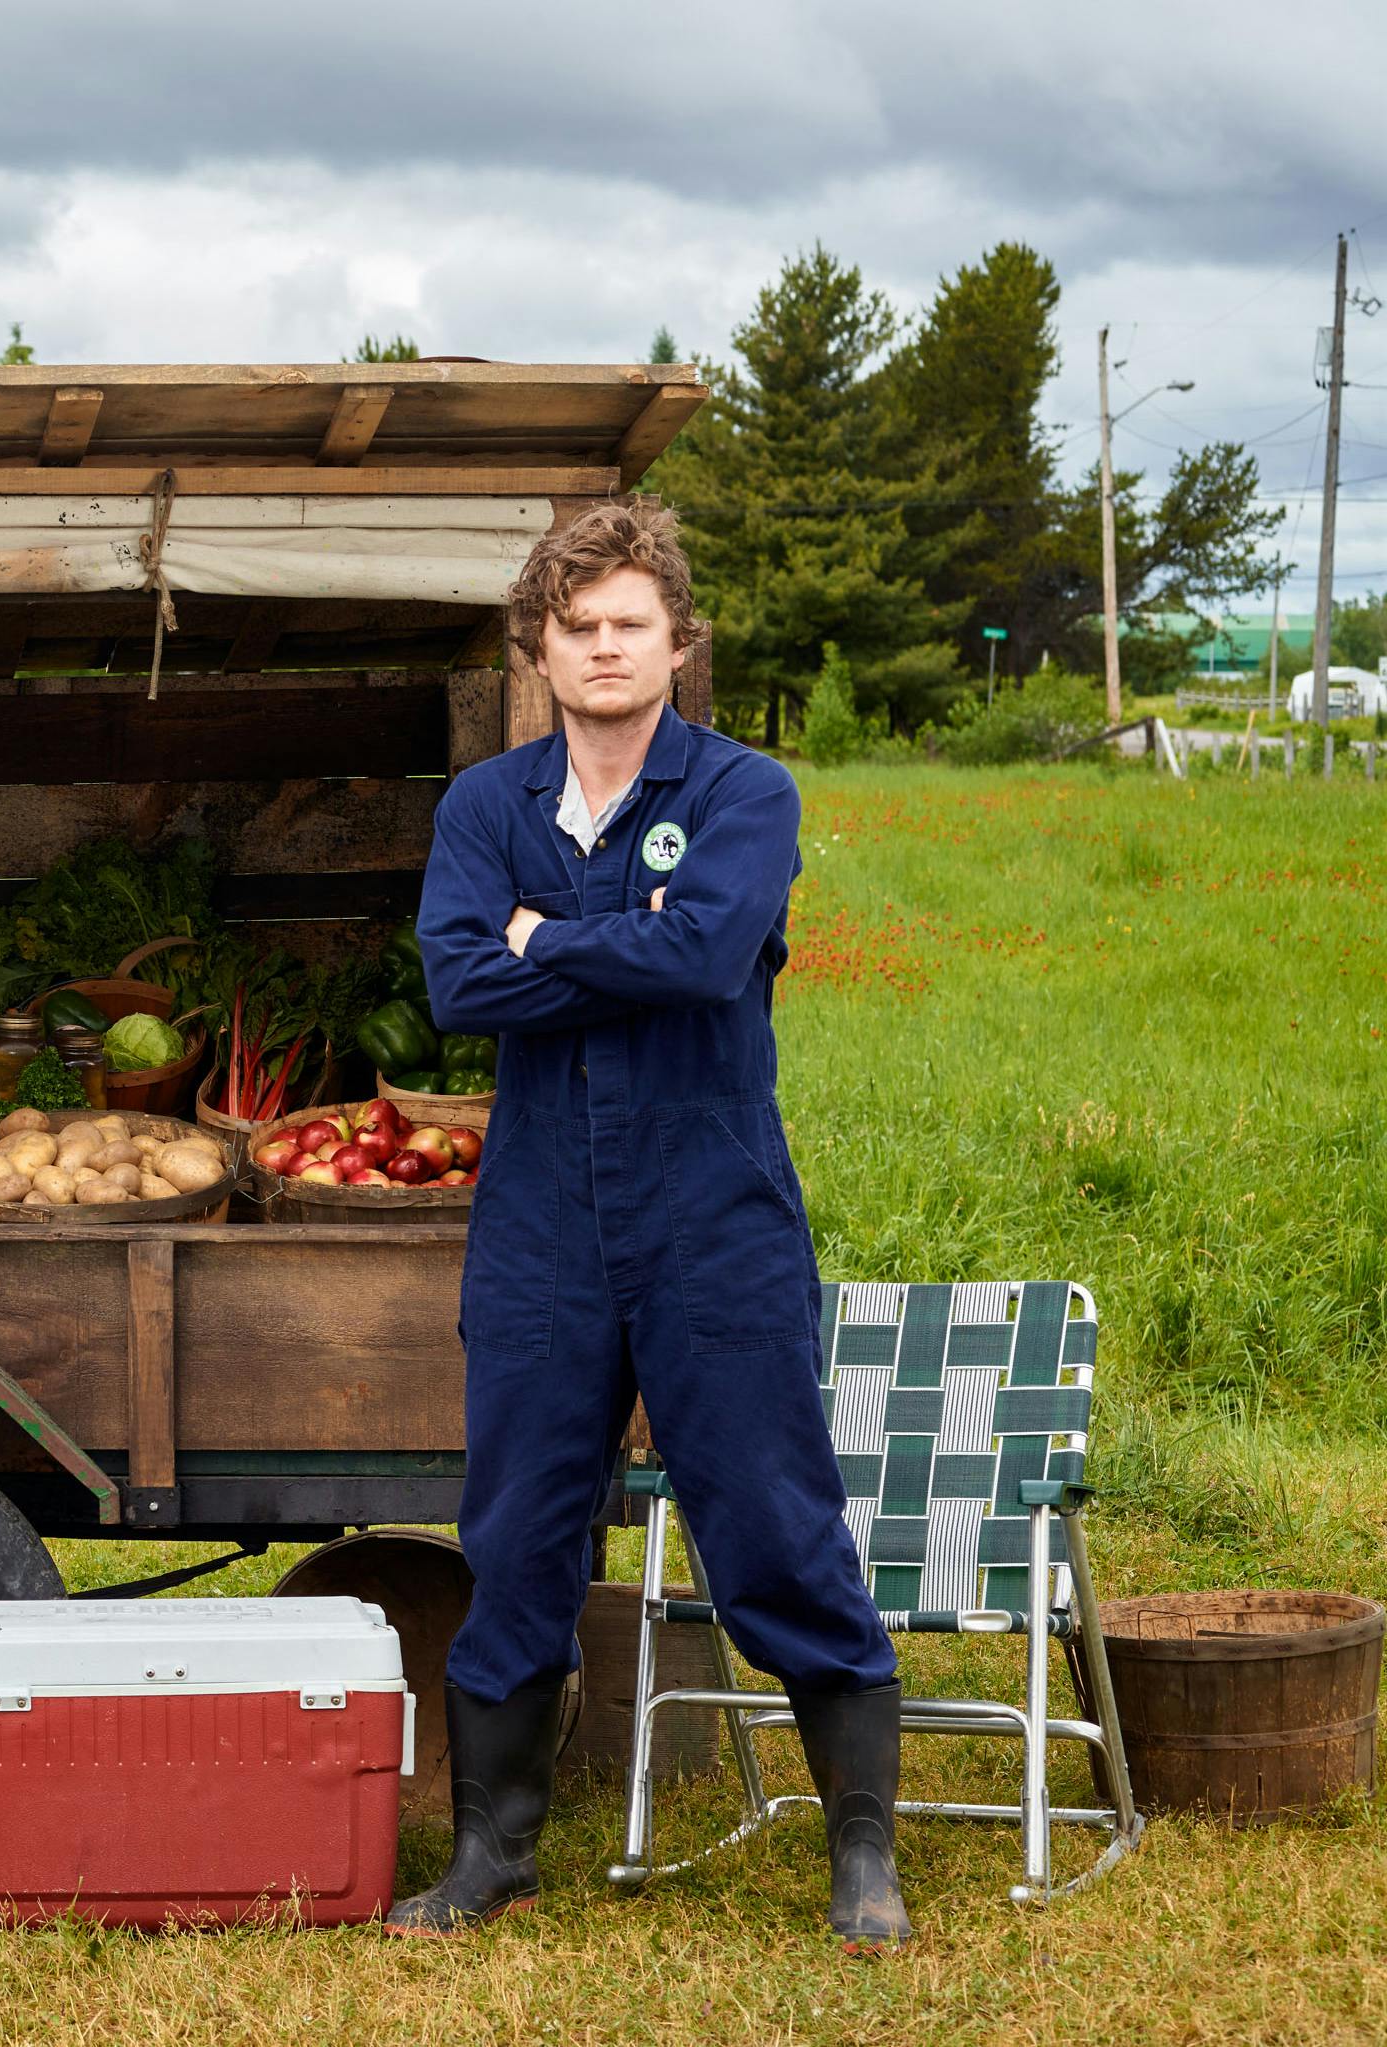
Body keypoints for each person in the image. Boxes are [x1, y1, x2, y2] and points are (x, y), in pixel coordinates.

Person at [386, 503, 907, 1950]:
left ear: (677, 641)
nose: (604, 648)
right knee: (517, 1529)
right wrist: (625, 947)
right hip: (544, 1224)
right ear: (537, 650)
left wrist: (546, 938)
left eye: (630, 623)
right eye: (577, 627)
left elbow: (706, 957)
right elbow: (458, 989)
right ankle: (494, 1855)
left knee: (774, 1521)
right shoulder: (485, 810)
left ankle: (863, 1854)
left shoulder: (748, 792)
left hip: (713, 1216)